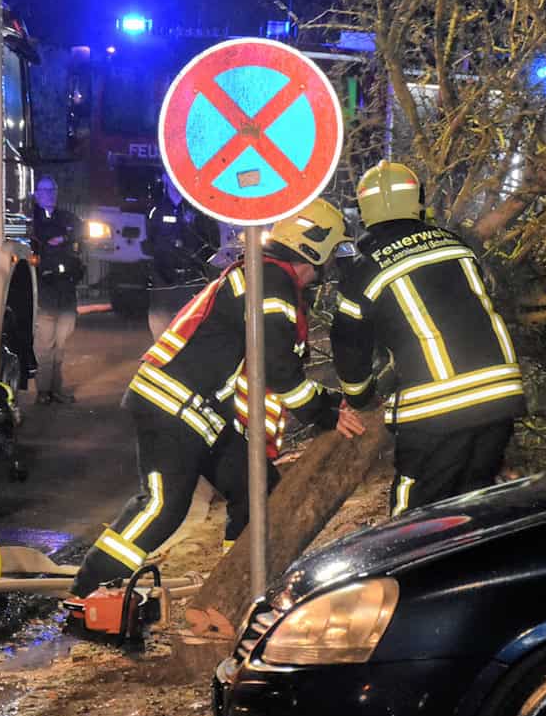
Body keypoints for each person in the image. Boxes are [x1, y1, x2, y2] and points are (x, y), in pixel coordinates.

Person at [69, 198, 365, 597]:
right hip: (172, 407)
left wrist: (327, 404)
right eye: (330, 253)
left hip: (204, 412)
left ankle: (232, 587)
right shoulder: (272, 284)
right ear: (314, 248)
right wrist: (325, 413)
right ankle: (87, 592)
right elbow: (278, 370)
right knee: (162, 508)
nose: (330, 267)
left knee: (256, 488)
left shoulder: (267, 277)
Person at [330, 160, 525, 518]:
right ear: (417, 202)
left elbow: (348, 343)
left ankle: (404, 574)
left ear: (365, 212)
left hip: (436, 408)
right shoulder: (456, 244)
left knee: (413, 517)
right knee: (474, 507)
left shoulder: (364, 268)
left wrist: (360, 398)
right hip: (500, 395)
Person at [144, 172, 221, 340]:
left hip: (192, 278)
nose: (174, 182)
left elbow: (213, 242)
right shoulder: (156, 211)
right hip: (164, 277)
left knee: (192, 323)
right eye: (170, 177)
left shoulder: (200, 211)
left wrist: (197, 262)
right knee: (161, 322)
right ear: (164, 179)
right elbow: (150, 241)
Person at [32, 176, 83, 405]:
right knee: (45, 345)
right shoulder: (32, 219)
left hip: (66, 291)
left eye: (52, 190)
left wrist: (63, 237)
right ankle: (43, 391)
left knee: (61, 346)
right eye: (44, 190)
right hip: (46, 292)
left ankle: (56, 389)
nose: (49, 194)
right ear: (35, 194)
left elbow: (80, 230)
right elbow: (38, 240)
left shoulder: (66, 217)